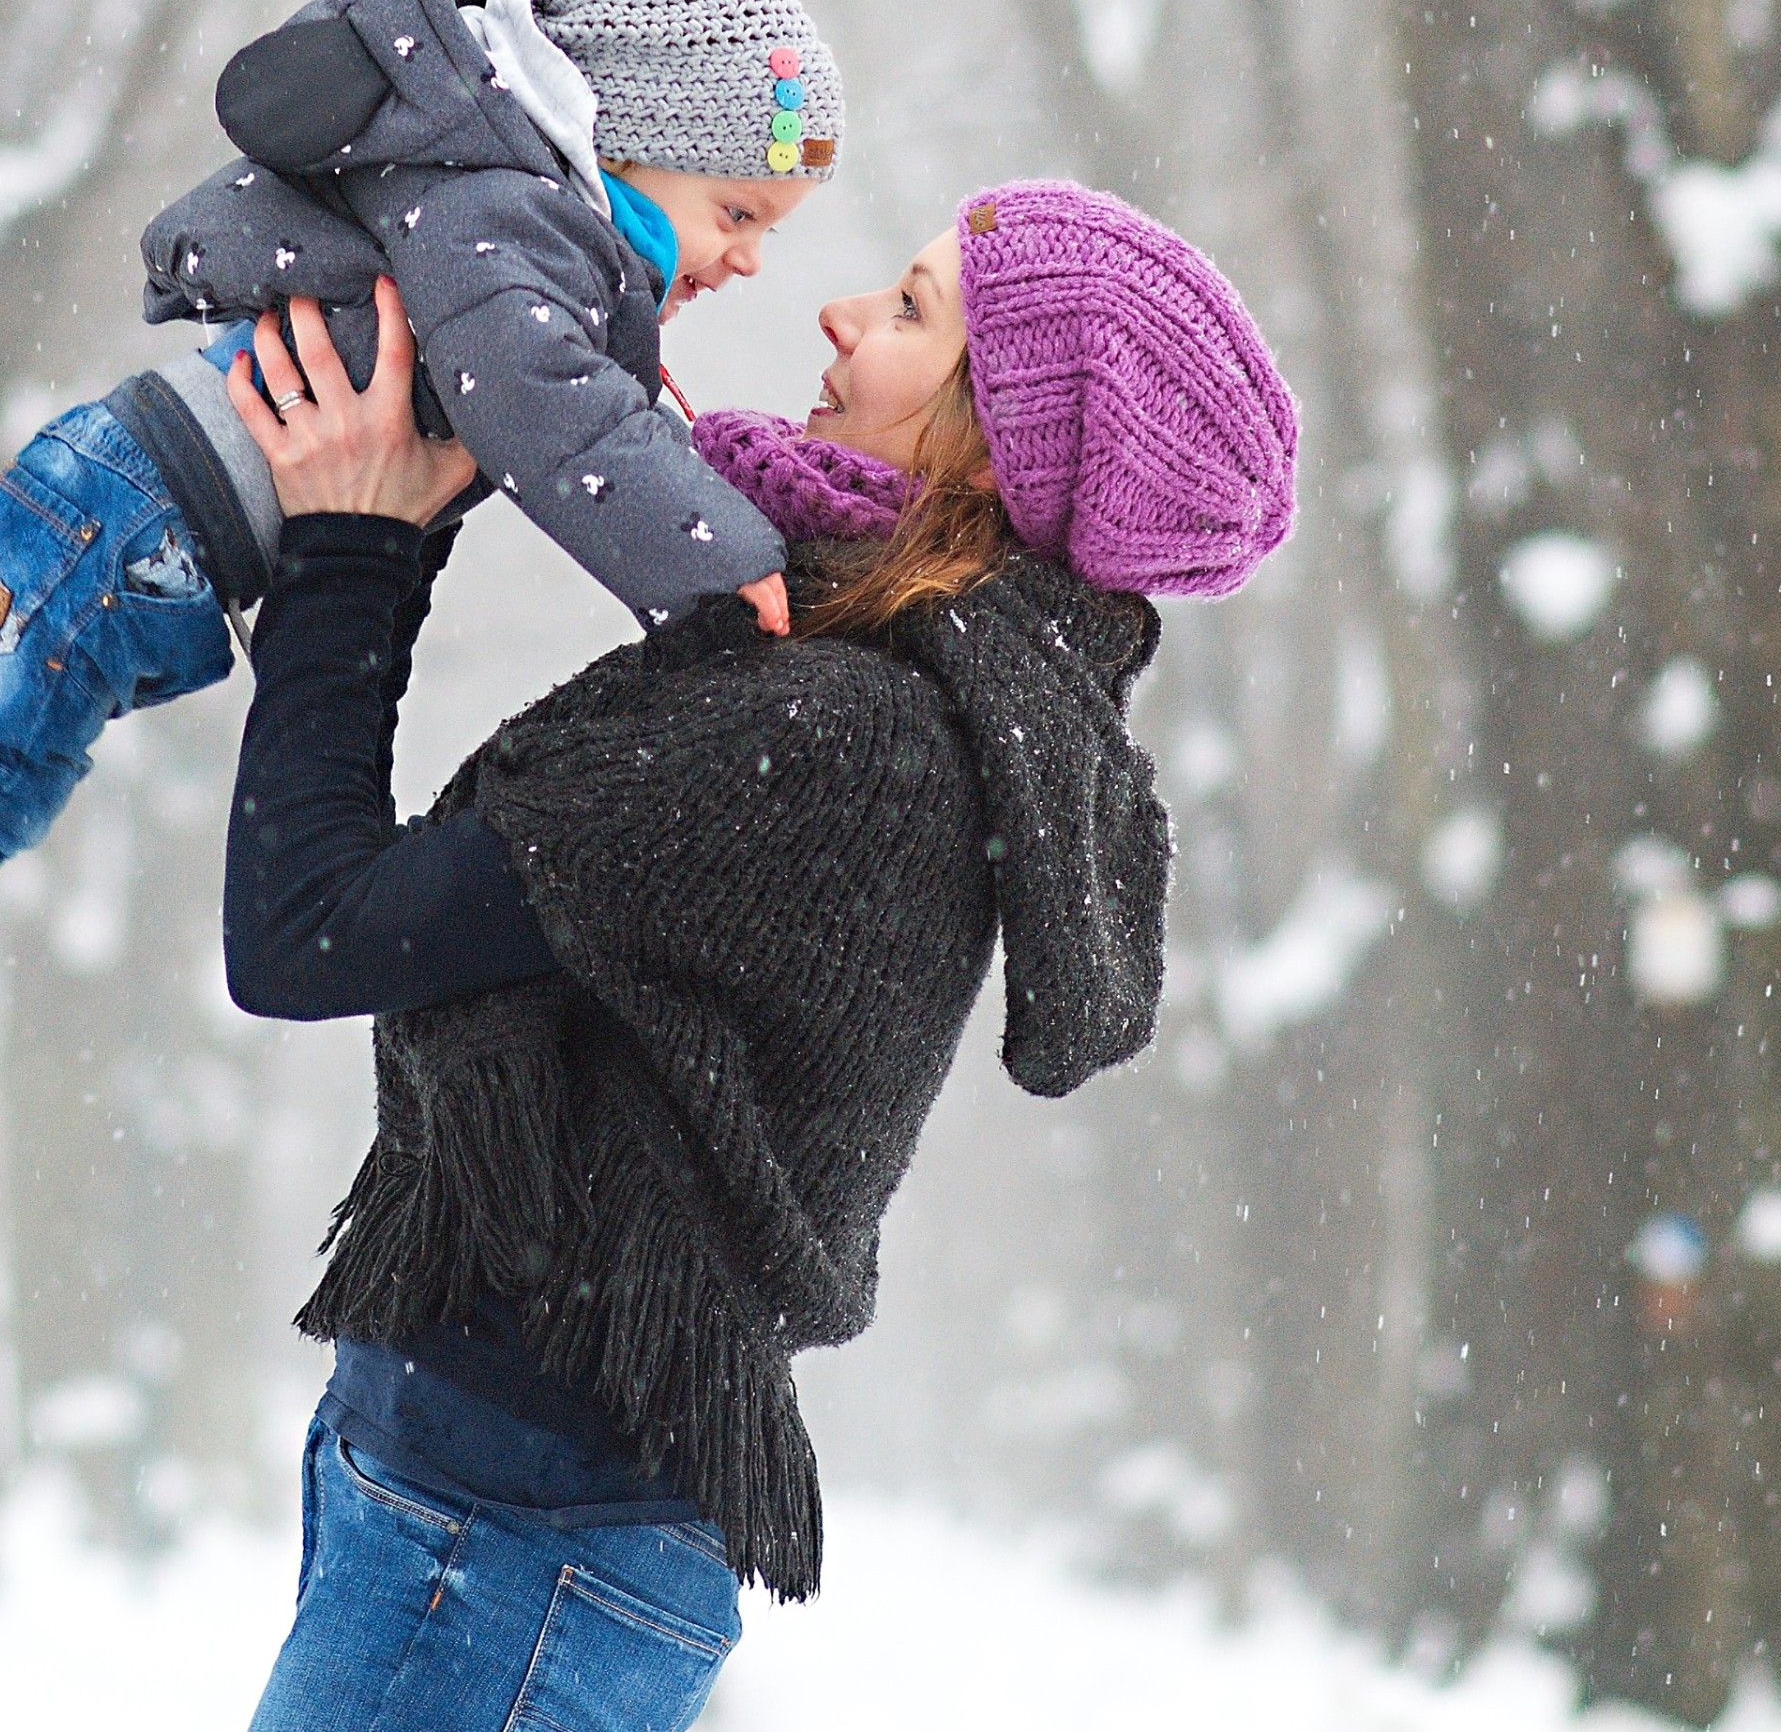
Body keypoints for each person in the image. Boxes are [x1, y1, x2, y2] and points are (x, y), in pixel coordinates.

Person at [222, 178, 1298, 1731]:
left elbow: (310, 925)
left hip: (507, 1538)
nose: (840, 316)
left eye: (911, 309)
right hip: (486, 1505)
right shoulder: (855, 679)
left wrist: (353, 543)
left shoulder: (852, 738)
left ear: (999, 448)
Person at [0, 0, 844, 1227]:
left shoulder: (502, 203)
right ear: (623, 140)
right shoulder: (510, 220)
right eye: (738, 212)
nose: (749, 258)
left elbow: (574, 405)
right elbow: (553, 416)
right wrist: (720, 568)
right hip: (136, 520)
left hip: (111, 500)